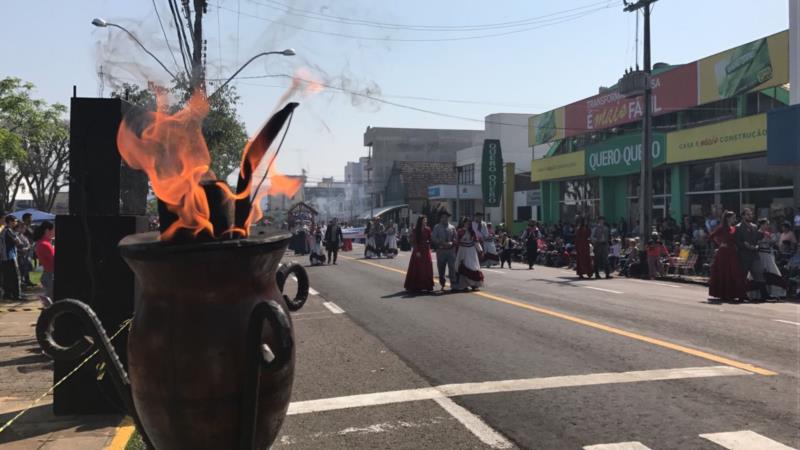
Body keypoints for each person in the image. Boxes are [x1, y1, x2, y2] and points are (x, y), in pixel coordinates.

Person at [708, 211, 747, 302]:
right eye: (733, 217)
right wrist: (720, 243)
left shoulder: (734, 228)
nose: (734, 219)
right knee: (724, 272)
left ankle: (736, 294)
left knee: (735, 272)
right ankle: (725, 294)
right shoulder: (722, 228)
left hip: (733, 252)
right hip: (724, 253)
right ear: (728, 218)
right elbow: (711, 236)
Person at [735, 208, 768, 302]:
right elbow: (737, 241)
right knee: (743, 276)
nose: (750, 216)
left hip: (754, 254)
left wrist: (757, 245)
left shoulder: (754, 226)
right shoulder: (738, 227)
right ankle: (742, 296)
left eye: (751, 214)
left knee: (759, 273)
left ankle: (764, 295)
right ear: (743, 216)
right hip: (744, 255)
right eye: (748, 214)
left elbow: (757, 238)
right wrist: (745, 246)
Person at [756, 219, 786, 300]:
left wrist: (772, 241)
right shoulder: (757, 233)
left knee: (773, 272)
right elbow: (757, 243)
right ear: (762, 225)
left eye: (767, 224)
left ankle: (775, 292)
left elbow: (772, 243)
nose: (767, 226)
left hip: (768, 254)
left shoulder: (767, 233)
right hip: (761, 254)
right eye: (766, 224)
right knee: (761, 273)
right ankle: (758, 294)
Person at [404, 216, 434, 292]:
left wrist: (430, 243)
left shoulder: (428, 229)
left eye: (426, 220)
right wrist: (417, 251)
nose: (425, 222)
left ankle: (427, 285)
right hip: (418, 250)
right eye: (424, 220)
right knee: (417, 268)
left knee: (427, 267)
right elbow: (414, 241)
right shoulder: (415, 230)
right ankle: (416, 285)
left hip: (426, 250)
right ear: (420, 221)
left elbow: (430, 239)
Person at [454, 217, 484, 291]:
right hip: (463, 250)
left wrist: (480, 250)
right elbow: (456, 241)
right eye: (466, 222)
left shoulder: (472, 232)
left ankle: (474, 285)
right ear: (463, 223)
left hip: (471, 251)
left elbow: (476, 241)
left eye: (469, 223)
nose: (467, 224)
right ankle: (464, 285)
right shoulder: (460, 231)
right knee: (464, 266)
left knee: (473, 266)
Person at [431, 210, 456, 290]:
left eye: (446, 217)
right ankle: (442, 281)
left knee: (452, 267)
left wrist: (452, 243)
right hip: (441, 250)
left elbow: (455, 237)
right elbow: (434, 238)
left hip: (450, 250)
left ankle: (453, 283)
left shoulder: (452, 227)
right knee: (441, 268)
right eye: (443, 217)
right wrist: (441, 242)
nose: (445, 219)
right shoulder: (437, 227)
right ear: (440, 218)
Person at [1, 215, 23, 300]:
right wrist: (22, 247)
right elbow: (18, 242)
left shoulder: (3, 230)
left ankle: (7, 294)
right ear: (10, 221)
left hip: (4, 257)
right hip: (10, 256)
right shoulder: (9, 230)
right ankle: (17, 295)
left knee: (7, 277)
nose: (16, 223)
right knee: (15, 276)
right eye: (15, 221)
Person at [33, 221, 55, 304]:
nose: (54, 232)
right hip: (50, 275)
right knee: (52, 302)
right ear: (47, 231)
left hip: (48, 274)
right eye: (53, 230)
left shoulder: (44, 243)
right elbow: (54, 260)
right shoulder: (44, 244)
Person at [19, 213, 34, 287]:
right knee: (24, 266)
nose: (31, 219)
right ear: (26, 219)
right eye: (30, 218)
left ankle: (27, 280)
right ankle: (22, 281)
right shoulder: (22, 226)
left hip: (29, 249)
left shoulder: (28, 227)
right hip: (23, 250)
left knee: (29, 265)